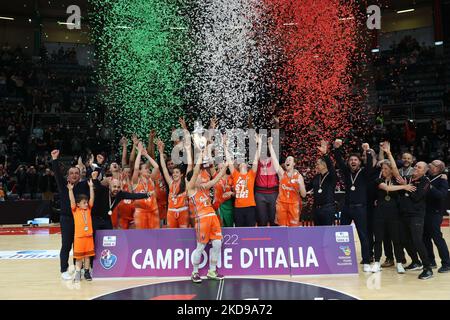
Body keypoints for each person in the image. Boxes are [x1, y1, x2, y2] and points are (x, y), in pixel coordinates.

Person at [186, 140, 228, 283]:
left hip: (212, 217)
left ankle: (212, 271)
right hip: (202, 218)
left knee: (217, 244)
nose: (199, 177)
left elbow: (216, 179)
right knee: (201, 246)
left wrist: (226, 166)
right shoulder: (190, 188)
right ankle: (195, 272)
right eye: (197, 177)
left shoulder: (203, 187)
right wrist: (201, 154)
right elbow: (196, 170)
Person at [332, 140, 375, 272]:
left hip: (361, 208)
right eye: (351, 159)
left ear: (359, 162)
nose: (353, 161)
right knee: (342, 234)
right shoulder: (346, 172)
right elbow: (338, 161)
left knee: (363, 235)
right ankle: (342, 259)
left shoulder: (364, 173)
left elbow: (369, 166)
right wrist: (337, 148)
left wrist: (367, 150)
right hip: (347, 208)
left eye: (356, 159)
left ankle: (367, 260)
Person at [371, 142, 413, 274]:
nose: (383, 171)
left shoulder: (397, 179)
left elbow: (395, 168)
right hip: (380, 214)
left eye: (385, 169)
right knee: (378, 239)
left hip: (395, 214)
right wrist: (404, 187)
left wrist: (388, 153)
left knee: (397, 239)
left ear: (390, 170)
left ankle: (399, 262)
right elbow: (387, 188)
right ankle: (377, 262)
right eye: (382, 169)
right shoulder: (378, 181)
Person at [51, 149, 89, 280]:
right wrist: (55, 159)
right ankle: (63, 270)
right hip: (66, 219)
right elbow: (56, 174)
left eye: (76, 173)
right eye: (71, 173)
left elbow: (94, 179)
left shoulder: (84, 186)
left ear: (80, 175)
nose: (74, 175)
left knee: (78, 246)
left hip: (80, 220)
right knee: (66, 245)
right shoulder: (64, 186)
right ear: (68, 176)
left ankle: (78, 269)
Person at [398, 162, 433, 280]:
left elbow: (417, 197)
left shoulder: (425, 181)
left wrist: (405, 187)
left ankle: (428, 268)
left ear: (424, 171)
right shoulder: (407, 178)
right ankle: (415, 261)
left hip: (416, 215)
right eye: (416, 166)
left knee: (417, 241)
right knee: (405, 240)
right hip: (404, 215)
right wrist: (404, 186)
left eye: (419, 167)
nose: (416, 168)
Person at [268, 137, 306, 226]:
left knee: (293, 229)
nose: (287, 161)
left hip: (294, 205)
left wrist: (300, 184)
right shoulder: (282, 174)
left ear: (294, 164)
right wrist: (270, 145)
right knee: (282, 228)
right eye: (286, 160)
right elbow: (274, 160)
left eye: (290, 160)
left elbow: (304, 195)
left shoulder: (299, 177)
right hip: (281, 204)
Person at [225, 133, 262, 227]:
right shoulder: (235, 174)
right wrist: (225, 146)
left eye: (244, 162)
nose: (242, 163)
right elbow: (229, 161)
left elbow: (255, 160)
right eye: (240, 163)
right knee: (239, 231)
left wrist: (259, 144)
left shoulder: (251, 174)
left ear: (247, 166)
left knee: (250, 231)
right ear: (238, 166)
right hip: (238, 208)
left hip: (250, 207)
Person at [424, 160, 450, 273]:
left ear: (438, 168)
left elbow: (442, 195)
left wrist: (430, 187)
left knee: (437, 238)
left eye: (433, 165)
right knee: (425, 238)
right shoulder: (427, 177)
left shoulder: (442, 179)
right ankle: (431, 261)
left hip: (435, 213)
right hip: (424, 212)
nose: (430, 165)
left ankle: (446, 263)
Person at [67, 179, 95, 283]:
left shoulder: (88, 209)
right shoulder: (75, 210)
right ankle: (78, 272)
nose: (86, 204)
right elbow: (72, 201)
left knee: (87, 257)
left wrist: (91, 187)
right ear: (78, 204)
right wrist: (70, 190)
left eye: (87, 202)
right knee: (79, 258)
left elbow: (92, 198)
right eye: (84, 203)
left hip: (88, 237)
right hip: (79, 237)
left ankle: (87, 272)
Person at [158, 140, 189, 228]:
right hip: (171, 211)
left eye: (177, 172)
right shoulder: (170, 183)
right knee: (172, 234)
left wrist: (186, 149)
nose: (174, 174)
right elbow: (164, 167)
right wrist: (161, 153)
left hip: (183, 211)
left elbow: (189, 165)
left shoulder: (185, 182)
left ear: (181, 174)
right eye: (174, 172)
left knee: (183, 235)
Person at [307, 140, 338, 226]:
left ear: (324, 165)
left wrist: (325, 154)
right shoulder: (316, 177)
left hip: (328, 209)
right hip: (316, 209)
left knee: (327, 233)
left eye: (318, 164)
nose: (316, 166)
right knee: (318, 234)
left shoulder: (331, 176)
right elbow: (306, 188)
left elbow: (331, 167)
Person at [131, 142, 160, 229]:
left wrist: (146, 155)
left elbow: (156, 167)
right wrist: (139, 152)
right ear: (140, 171)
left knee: (156, 236)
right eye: (146, 169)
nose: (148, 170)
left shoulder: (151, 179)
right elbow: (136, 168)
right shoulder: (136, 181)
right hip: (140, 212)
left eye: (148, 168)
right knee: (141, 236)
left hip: (153, 211)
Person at [212, 163, 234, 227]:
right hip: (218, 204)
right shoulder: (215, 176)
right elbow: (211, 167)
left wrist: (231, 193)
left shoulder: (231, 177)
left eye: (221, 168)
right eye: (218, 169)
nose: (220, 170)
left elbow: (236, 193)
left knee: (229, 225)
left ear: (226, 168)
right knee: (219, 225)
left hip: (228, 205)